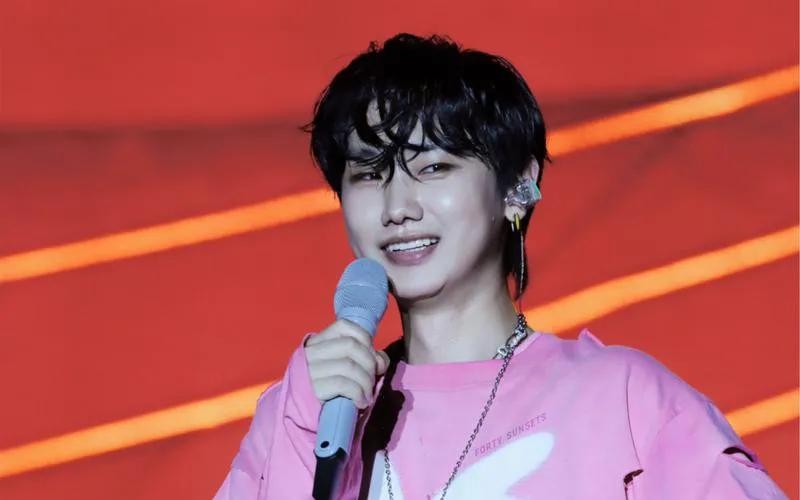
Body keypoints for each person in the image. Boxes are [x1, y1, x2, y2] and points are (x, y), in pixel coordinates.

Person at [214, 33, 787, 499]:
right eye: (368, 174)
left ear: (517, 187)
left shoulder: (622, 399)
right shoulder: (307, 407)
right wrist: (305, 428)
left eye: (433, 168)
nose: (397, 207)